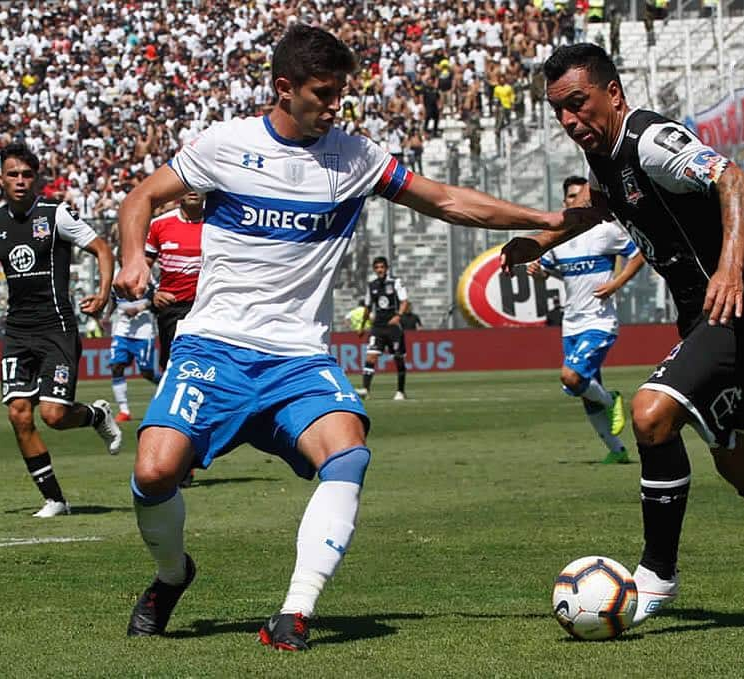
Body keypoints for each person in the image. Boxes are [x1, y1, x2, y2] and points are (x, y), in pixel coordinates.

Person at [114, 24, 565, 649]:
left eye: (339, 94)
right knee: (155, 471)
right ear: (284, 89)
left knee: (348, 451)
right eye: (323, 93)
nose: (335, 105)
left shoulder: (355, 157)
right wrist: (133, 257)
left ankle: (294, 613)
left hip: (297, 358)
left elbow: (448, 201)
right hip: (214, 344)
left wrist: (543, 218)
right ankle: (172, 574)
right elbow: (141, 196)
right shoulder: (226, 145)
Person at [501, 44, 744, 626]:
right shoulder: (605, 154)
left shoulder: (649, 139)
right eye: (559, 112)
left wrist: (727, 267)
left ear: (612, 94)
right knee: (743, 464)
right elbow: (602, 207)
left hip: (738, 305)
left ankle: (655, 576)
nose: (570, 121)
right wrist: (541, 242)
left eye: (578, 104)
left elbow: (738, 185)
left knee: (649, 414)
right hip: (712, 312)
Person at [0, 142, 122, 518]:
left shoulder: (56, 214)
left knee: (53, 415)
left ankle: (96, 416)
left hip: (56, 328)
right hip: (17, 330)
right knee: (18, 412)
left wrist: (102, 293)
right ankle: (55, 500)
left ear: (36, 179)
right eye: (13, 174)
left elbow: (101, 248)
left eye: (27, 175)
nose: (20, 181)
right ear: (0, 179)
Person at [527, 175, 645, 464]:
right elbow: (550, 272)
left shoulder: (605, 230)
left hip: (599, 321)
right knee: (582, 391)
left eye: (580, 195)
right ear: (565, 201)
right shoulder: (559, 238)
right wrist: (539, 274)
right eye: (569, 197)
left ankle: (611, 399)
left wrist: (617, 284)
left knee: (571, 377)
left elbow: (640, 254)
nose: (574, 201)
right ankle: (617, 451)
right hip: (572, 324)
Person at [145, 192, 204, 374]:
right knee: (172, 367)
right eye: (187, 186)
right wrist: (153, 293)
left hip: (209, 306)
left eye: (198, 186)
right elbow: (142, 265)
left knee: (209, 366)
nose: (193, 190)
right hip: (173, 307)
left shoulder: (219, 223)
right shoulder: (159, 224)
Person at [355, 256, 410, 401]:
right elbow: (367, 307)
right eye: (377, 267)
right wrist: (362, 326)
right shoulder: (371, 285)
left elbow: (404, 302)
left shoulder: (395, 282)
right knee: (371, 356)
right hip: (378, 326)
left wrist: (398, 315)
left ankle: (400, 391)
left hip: (393, 326)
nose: (380, 270)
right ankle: (366, 390)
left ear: (386, 268)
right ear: (374, 269)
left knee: (398, 358)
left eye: (382, 267)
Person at [107, 275, 159, 422]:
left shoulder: (146, 275)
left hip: (143, 331)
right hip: (122, 331)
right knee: (116, 367)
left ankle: (165, 386)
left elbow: (156, 293)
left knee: (147, 373)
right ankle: (124, 411)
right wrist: (106, 316)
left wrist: (141, 306)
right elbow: (112, 297)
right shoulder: (117, 275)